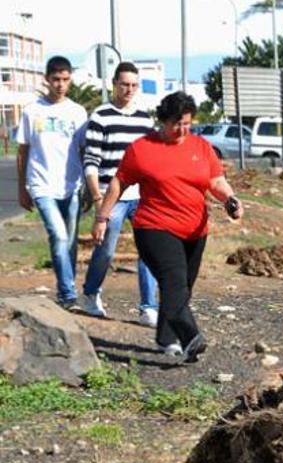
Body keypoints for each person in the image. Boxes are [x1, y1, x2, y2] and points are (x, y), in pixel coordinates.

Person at [92, 91, 243, 362]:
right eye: (177, 123)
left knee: (181, 289)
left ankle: (166, 339)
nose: (183, 129)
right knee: (173, 280)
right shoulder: (142, 149)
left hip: (196, 231)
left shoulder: (201, 147)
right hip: (155, 226)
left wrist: (230, 200)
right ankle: (191, 337)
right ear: (163, 120)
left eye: (187, 123)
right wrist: (102, 217)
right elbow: (119, 183)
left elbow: (216, 182)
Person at [80, 62, 159, 327]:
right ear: (114, 83)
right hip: (110, 194)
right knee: (106, 250)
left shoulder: (144, 119)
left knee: (149, 250)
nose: (129, 90)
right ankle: (90, 293)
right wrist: (97, 198)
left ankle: (148, 307)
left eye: (134, 85)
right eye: (124, 84)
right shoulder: (101, 116)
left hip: (141, 195)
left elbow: (150, 159)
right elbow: (91, 160)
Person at [16, 56, 87, 309]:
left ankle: (66, 287)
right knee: (58, 236)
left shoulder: (78, 112)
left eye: (65, 79)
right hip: (42, 185)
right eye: (56, 79)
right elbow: (22, 151)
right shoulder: (31, 110)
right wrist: (22, 190)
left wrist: (88, 187)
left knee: (69, 242)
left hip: (71, 186)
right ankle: (68, 295)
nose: (60, 84)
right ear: (46, 79)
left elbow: (83, 151)